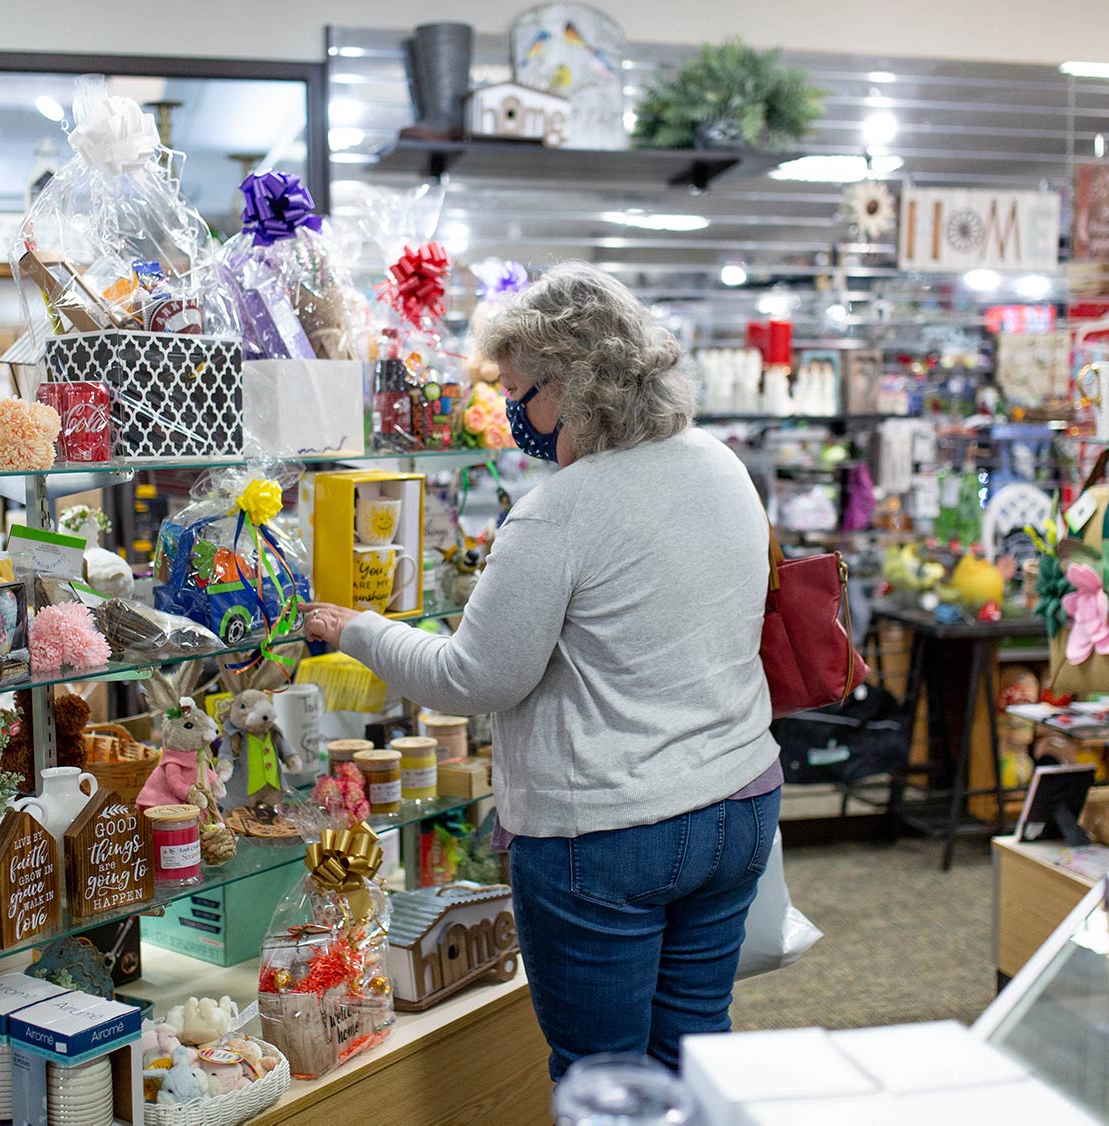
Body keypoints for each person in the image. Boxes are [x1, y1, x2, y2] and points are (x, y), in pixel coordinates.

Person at [303, 262, 780, 1079]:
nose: (516, 414)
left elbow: (474, 679)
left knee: (601, 1077)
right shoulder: (718, 462)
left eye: (522, 393)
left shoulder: (561, 510)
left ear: (574, 383)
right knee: (692, 1057)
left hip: (609, 832)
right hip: (739, 804)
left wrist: (358, 630)